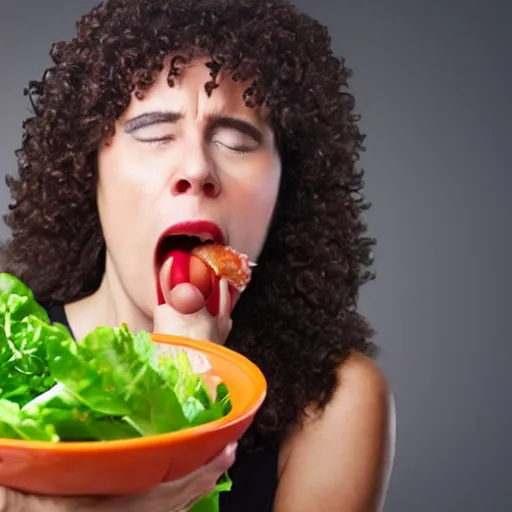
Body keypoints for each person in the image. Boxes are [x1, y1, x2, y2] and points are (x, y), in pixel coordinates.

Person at [0, 0, 396, 510]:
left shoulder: (334, 402)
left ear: (287, 188)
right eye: (154, 134)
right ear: (87, 171)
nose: (196, 167)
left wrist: (191, 381)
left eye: (235, 140)